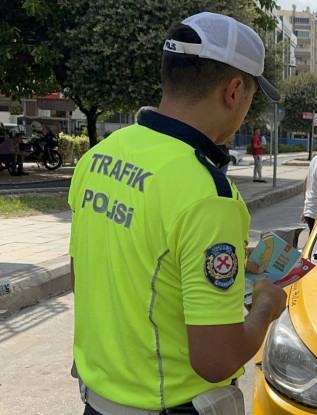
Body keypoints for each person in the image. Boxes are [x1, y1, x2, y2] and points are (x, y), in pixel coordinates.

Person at [67, 12, 287, 415]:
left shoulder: (99, 156)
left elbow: (88, 274)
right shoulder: (209, 194)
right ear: (234, 90)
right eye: (252, 96)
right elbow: (216, 359)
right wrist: (267, 306)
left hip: (96, 402)